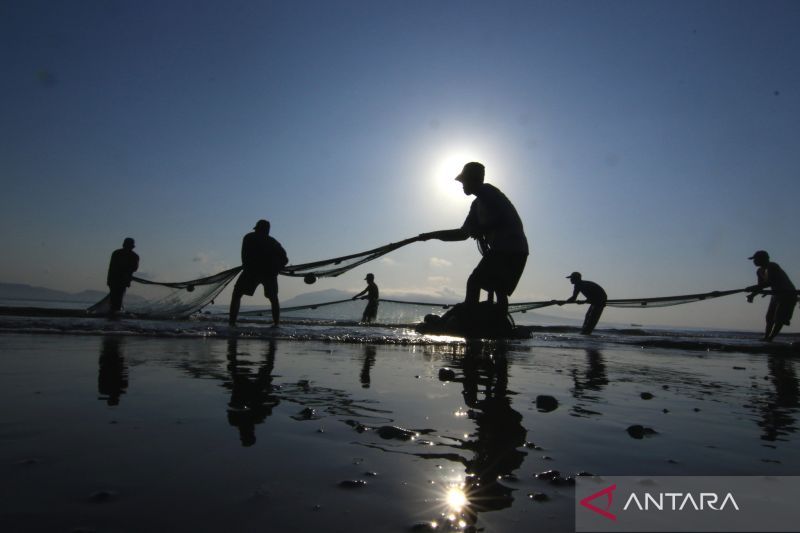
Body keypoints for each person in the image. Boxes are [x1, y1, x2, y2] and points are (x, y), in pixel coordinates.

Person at [418, 162, 528, 316]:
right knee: (498, 288)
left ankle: (470, 317)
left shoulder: (489, 192)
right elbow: (462, 234)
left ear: (474, 180)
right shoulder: (476, 205)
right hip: (505, 251)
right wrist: (431, 235)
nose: (462, 185)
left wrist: (482, 229)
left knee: (476, 282)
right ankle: (495, 325)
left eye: (464, 181)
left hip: (511, 249)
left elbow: (503, 219)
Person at [229, 220, 288, 327]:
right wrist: (276, 269)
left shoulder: (249, 238)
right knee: (273, 298)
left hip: (253, 272)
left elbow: (244, 256)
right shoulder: (273, 242)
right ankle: (276, 324)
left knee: (237, 294)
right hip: (267, 273)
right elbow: (285, 259)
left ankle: (232, 323)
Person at [746, 250, 797, 342]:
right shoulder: (759, 271)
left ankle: (770, 338)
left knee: (779, 318)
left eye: (756, 259)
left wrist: (752, 287)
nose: (754, 261)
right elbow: (760, 287)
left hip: (788, 294)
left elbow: (769, 282)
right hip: (776, 295)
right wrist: (752, 295)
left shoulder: (772, 266)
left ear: (763, 259)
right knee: (769, 317)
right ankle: (766, 337)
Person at [106, 237, 139, 314]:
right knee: (116, 299)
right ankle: (114, 314)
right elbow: (112, 267)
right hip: (115, 280)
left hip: (120, 281)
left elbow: (134, 268)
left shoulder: (132, 256)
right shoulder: (118, 253)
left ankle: (114, 315)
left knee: (116, 299)